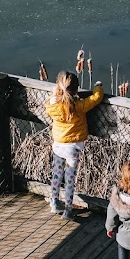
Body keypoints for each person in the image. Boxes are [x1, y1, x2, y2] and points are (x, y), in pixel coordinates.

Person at [45, 71, 103, 219]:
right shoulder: (79, 105)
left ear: (58, 86)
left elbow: (48, 104)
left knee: (57, 174)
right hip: (73, 148)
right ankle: (68, 210)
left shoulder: (53, 105)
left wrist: (54, 94)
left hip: (58, 145)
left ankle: (54, 202)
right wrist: (98, 87)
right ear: (76, 90)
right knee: (70, 179)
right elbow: (96, 98)